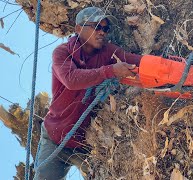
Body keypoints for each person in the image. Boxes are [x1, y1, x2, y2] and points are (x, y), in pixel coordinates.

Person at [34, 6, 142, 180]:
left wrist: (171, 65)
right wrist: (110, 71)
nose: (102, 32)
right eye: (96, 26)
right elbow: (71, 79)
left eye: (105, 29)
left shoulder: (108, 51)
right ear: (78, 29)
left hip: (85, 145)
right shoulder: (63, 52)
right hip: (54, 140)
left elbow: (137, 61)